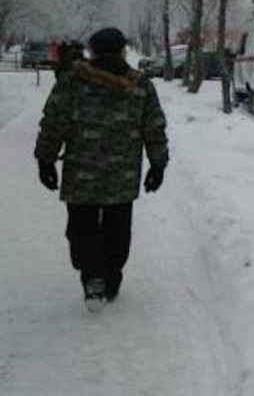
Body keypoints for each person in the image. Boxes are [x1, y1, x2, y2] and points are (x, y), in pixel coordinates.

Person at [34, 27, 169, 313]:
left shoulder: (72, 81)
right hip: (122, 176)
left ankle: (93, 277)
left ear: (92, 52)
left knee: (82, 227)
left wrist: (45, 159)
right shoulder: (140, 84)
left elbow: (53, 122)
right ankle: (111, 276)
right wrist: (158, 163)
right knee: (117, 227)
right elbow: (154, 127)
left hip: (81, 174)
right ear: (122, 51)